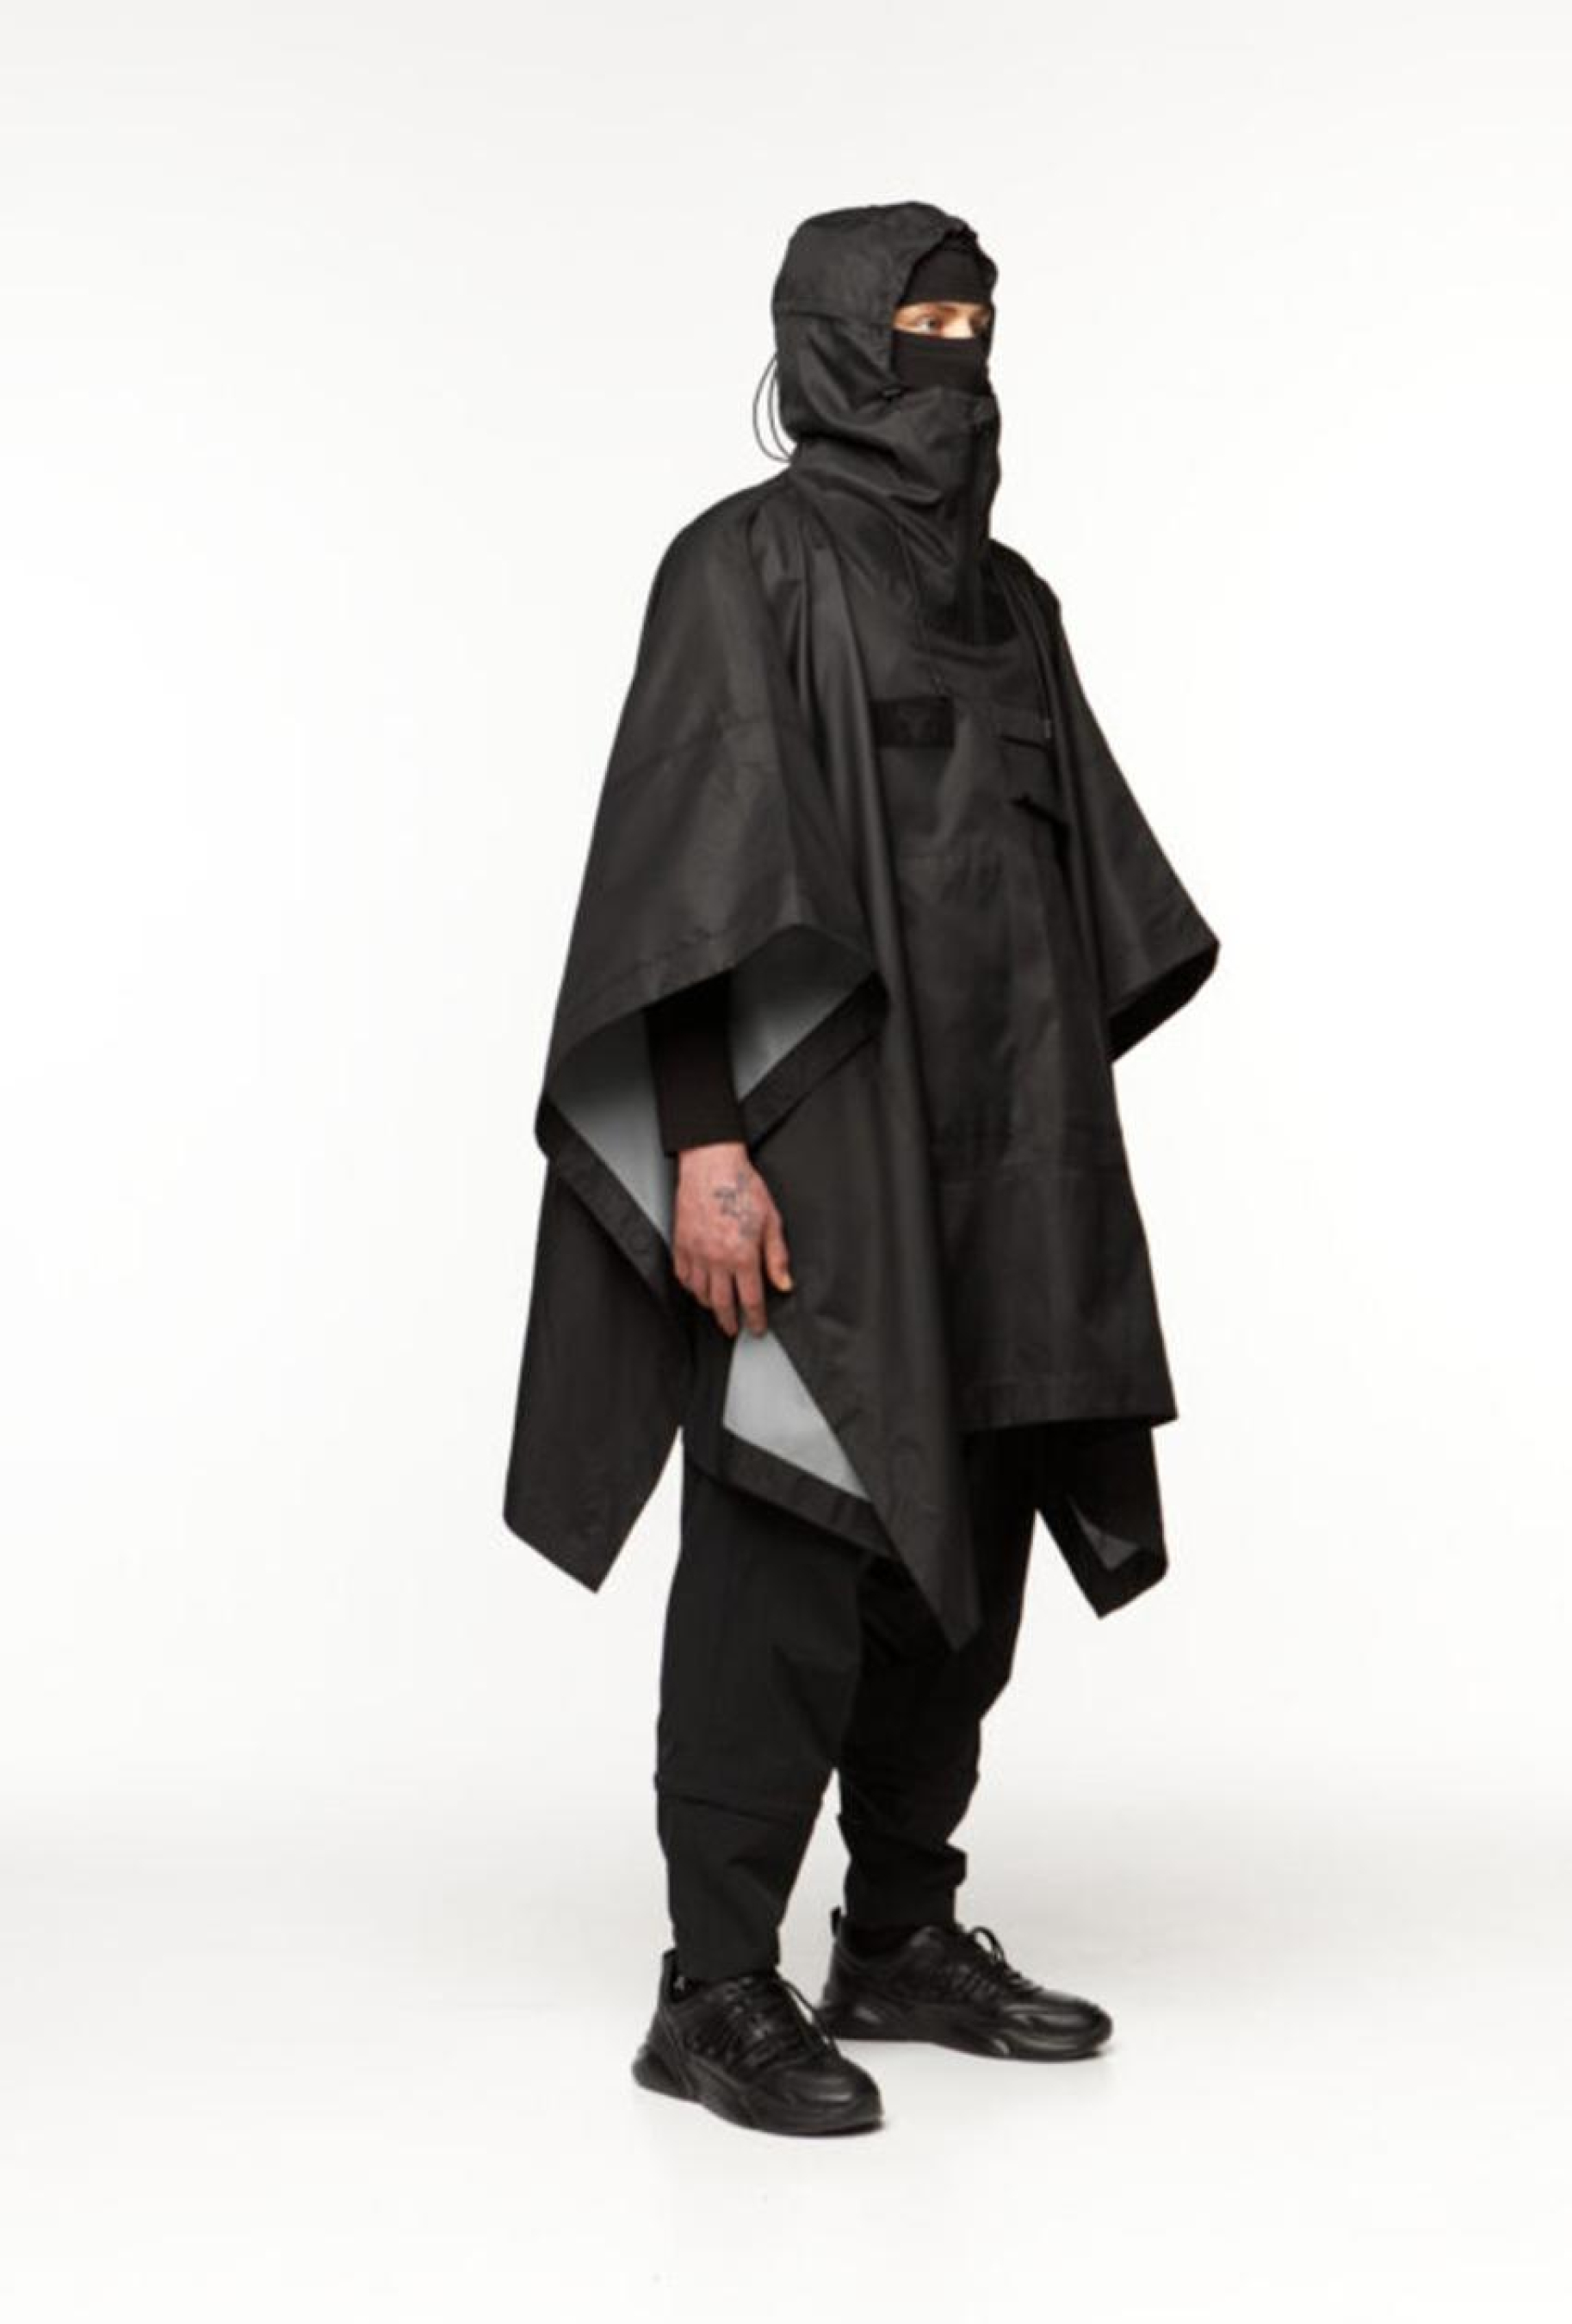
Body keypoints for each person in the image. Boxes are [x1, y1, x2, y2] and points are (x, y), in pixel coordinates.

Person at [504, 201, 1220, 2137]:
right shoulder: (742, 565)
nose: (953, 362)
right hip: (815, 1160)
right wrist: (705, 1146)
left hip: (1012, 1158)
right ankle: (711, 1987)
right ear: (827, 344)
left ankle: (896, 1933)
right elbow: (676, 878)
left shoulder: (1013, 601)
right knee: (793, 1544)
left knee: (965, 1554)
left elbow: (1079, 891)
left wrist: (1051, 1146)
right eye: (918, 325)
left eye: (975, 325)